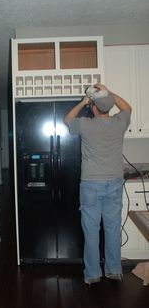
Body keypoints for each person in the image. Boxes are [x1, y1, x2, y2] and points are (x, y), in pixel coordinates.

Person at [63, 83, 132, 286]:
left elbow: (67, 119)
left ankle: (93, 274)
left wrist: (84, 100)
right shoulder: (120, 122)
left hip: (91, 184)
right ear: (109, 107)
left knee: (91, 230)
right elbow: (127, 107)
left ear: (93, 107)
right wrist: (108, 93)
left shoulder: (85, 124)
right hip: (114, 184)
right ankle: (113, 270)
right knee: (112, 228)